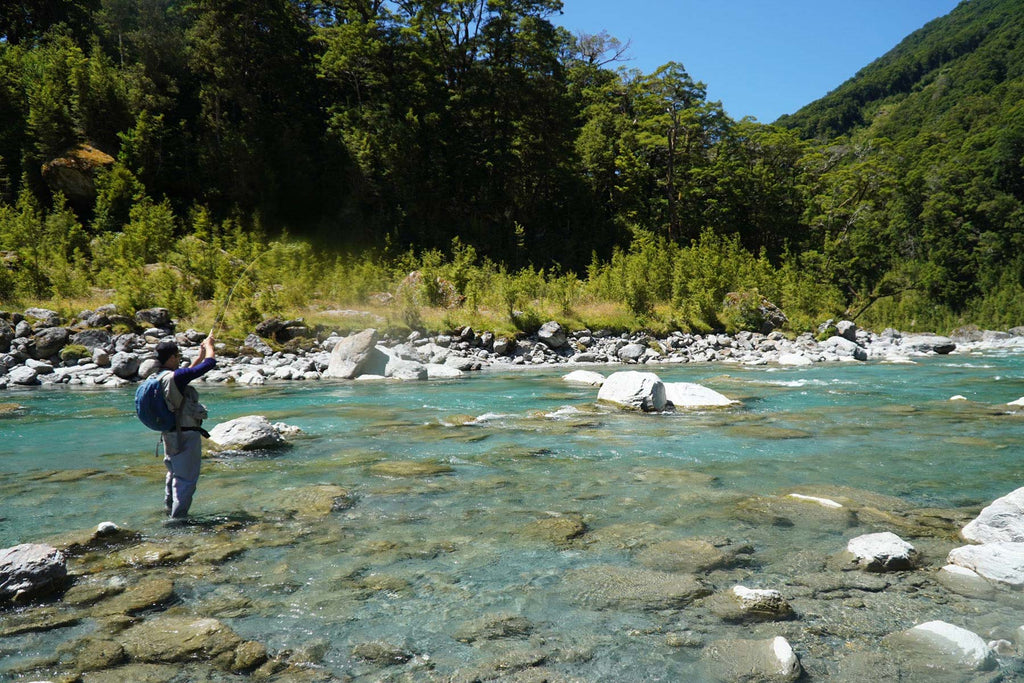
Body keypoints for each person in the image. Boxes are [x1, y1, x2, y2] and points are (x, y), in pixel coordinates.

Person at [155, 335, 216, 518]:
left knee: (173, 475)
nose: (179, 359)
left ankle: (168, 510)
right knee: (186, 480)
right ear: (172, 357)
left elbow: (184, 376)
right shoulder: (176, 377)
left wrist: (199, 355)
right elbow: (209, 364)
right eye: (178, 356)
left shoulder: (159, 376)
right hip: (185, 435)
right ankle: (178, 521)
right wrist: (210, 348)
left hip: (169, 434)